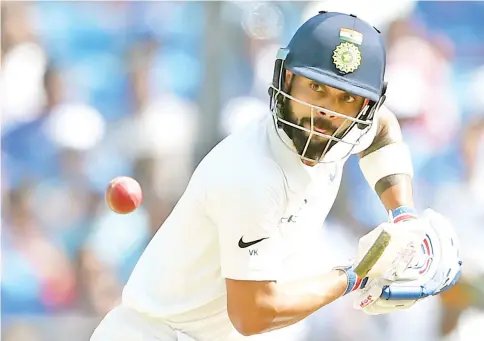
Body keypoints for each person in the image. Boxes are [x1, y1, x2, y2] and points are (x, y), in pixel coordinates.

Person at [90, 11, 462, 341]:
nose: (325, 113)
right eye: (316, 88)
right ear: (286, 78)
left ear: (365, 104)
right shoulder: (252, 175)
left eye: (345, 98)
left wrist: (403, 216)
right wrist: (359, 276)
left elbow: (382, 129)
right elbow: (254, 313)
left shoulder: (344, 128)